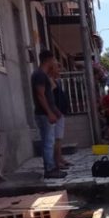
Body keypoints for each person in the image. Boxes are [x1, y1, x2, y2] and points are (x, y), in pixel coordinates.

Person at [31, 50, 66, 179]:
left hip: (45, 113)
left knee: (49, 141)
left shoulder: (42, 74)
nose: (54, 63)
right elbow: (40, 95)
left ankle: (51, 167)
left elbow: (47, 96)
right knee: (48, 142)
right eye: (54, 60)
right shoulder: (40, 75)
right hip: (43, 114)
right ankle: (50, 169)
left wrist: (55, 110)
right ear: (49, 59)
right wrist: (50, 113)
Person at [49, 64, 71, 169]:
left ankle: (60, 158)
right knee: (57, 139)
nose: (60, 70)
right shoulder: (50, 81)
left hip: (60, 113)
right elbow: (50, 98)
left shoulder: (55, 81)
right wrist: (56, 111)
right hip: (56, 113)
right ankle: (57, 161)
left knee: (59, 138)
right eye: (57, 68)